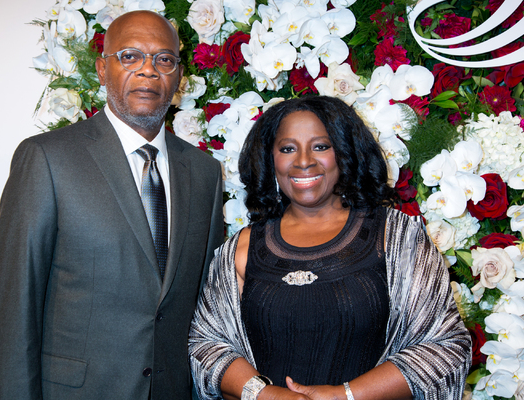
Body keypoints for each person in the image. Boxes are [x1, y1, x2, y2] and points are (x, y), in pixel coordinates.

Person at [0, 10, 224, 400]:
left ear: (178, 76)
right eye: (129, 56)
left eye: (164, 59)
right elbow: (14, 312)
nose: (148, 70)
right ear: (101, 68)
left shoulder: (204, 173)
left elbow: (203, 308)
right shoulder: (47, 159)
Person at [188, 96, 471, 400]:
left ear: (345, 152)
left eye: (321, 146)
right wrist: (264, 395)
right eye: (287, 149)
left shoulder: (397, 237)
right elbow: (207, 346)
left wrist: (346, 395)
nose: (304, 160)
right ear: (270, 158)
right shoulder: (241, 248)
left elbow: (444, 346)